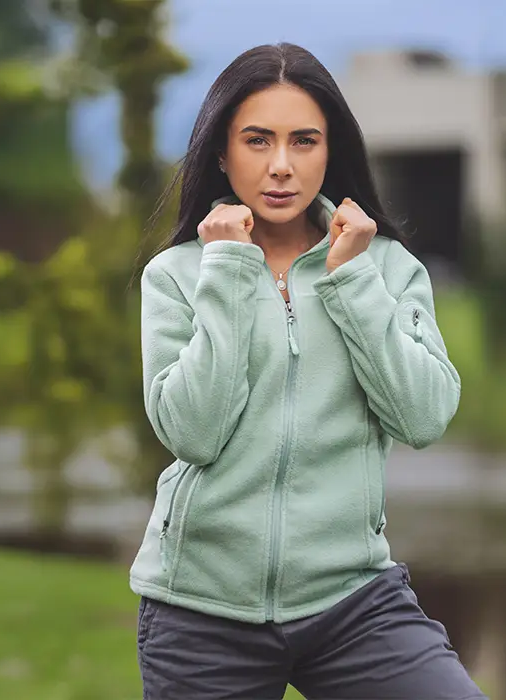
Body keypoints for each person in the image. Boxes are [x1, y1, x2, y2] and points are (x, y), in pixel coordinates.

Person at [127, 43, 485, 700]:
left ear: (332, 152)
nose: (282, 166)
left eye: (305, 141)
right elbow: (193, 433)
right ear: (220, 153)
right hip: (202, 610)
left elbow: (424, 415)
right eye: (258, 141)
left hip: (353, 603)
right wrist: (230, 270)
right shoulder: (176, 277)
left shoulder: (388, 269)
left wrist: (351, 278)